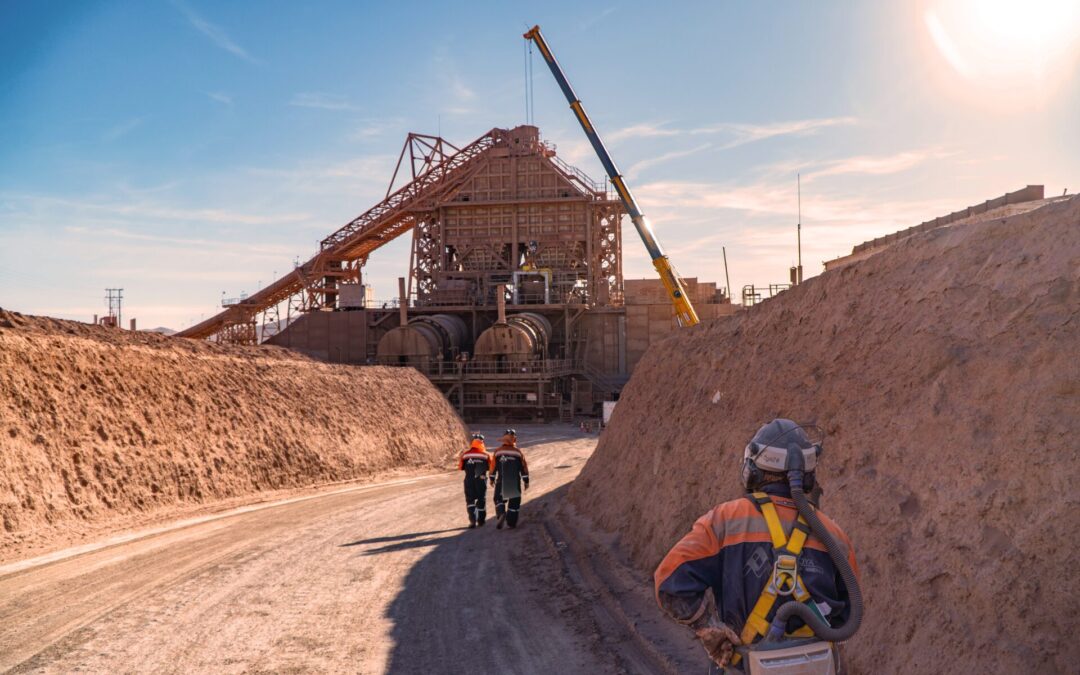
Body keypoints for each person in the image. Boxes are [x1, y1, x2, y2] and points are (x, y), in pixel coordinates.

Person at [654, 419, 859, 671]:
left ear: (752, 469)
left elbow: (669, 583)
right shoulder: (834, 536)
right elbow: (848, 616)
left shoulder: (724, 521)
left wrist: (709, 628)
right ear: (808, 474)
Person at [490, 429, 529, 529]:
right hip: (514, 481)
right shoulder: (518, 452)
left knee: (498, 499)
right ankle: (511, 522)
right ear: (514, 439)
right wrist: (526, 481)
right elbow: (523, 467)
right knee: (514, 502)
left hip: (502, 480)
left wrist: (492, 478)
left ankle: (501, 513)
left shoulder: (498, 451)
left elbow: (493, 466)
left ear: (503, 439)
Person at [457, 433, 493, 528]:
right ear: (482, 442)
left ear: (472, 442)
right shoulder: (486, 455)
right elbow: (491, 467)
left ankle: (472, 521)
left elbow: (460, 467)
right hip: (481, 480)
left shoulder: (465, 455)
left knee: (470, 501)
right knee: (481, 499)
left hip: (469, 480)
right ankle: (481, 521)